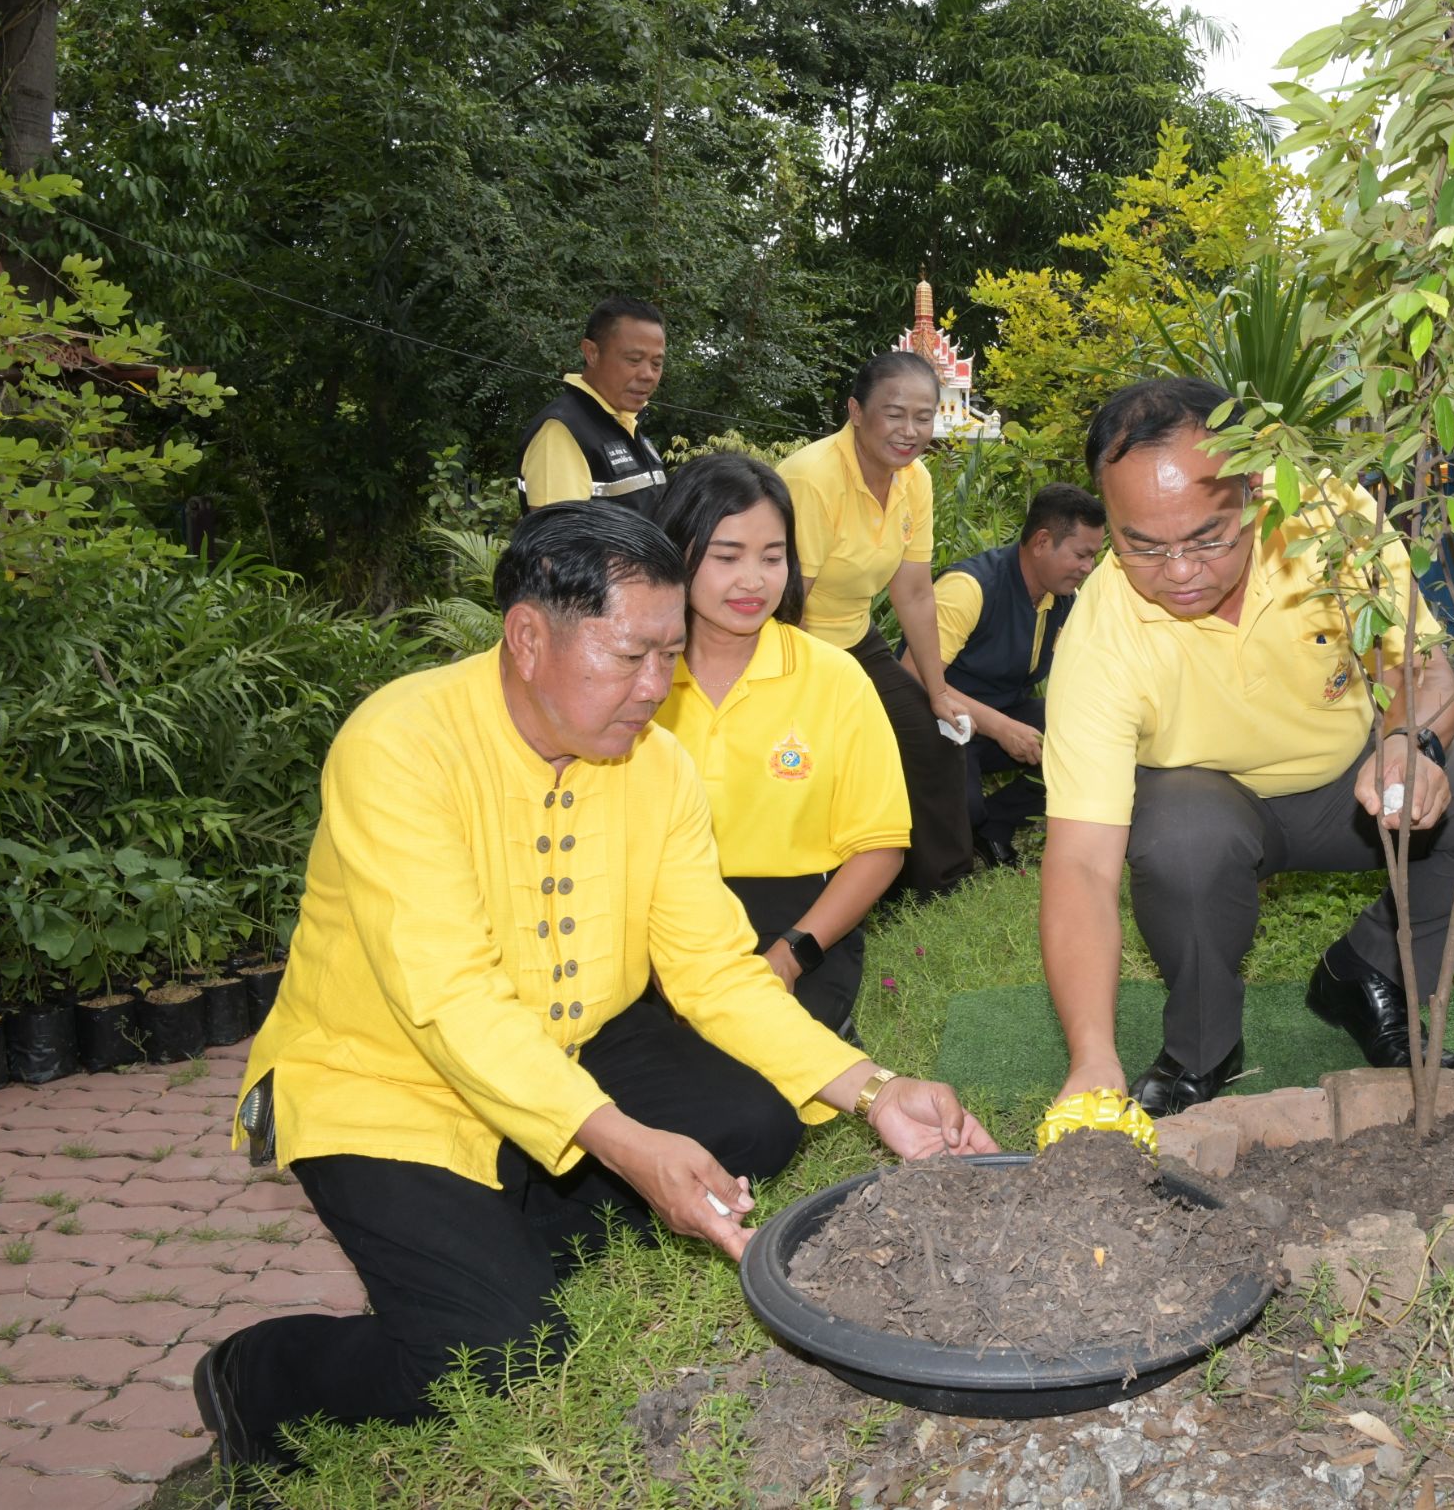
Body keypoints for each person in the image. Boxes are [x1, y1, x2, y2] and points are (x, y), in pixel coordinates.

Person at [193, 502, 995, 1471]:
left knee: (757, 1118)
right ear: (529, 638)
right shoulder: (399, 743)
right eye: (631, 656)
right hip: (388, 1083)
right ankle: (256, 1374)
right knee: (505, 1349)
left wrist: (872, 1087)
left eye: (672, 655)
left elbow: (712, 970)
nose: (656, 687)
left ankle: (506, 1234)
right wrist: (623, 1142)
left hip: (567, 1049)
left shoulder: (657, 766)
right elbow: (450, 1003)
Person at [1038, 378, 1454, 1117]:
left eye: (1207, 538)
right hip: (1210, 809)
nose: (1182, 572)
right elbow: (1081, 865)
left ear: (1256, 494)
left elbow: (1415, 665)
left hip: (1350, 789)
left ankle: (1367, 970)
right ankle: (1202, 1047)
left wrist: (1409, 744)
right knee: (1184, 839)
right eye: (1145, 547)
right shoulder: (1101, 635)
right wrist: (1093, 1059)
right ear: (1110, 523)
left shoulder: (1327, 522)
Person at [654, 452, 908, 1040]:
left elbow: (880, 848)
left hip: (796, 921)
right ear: (676, 552)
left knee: (761, 1077)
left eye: (773, 557)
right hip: (660, 913)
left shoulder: (834, 677)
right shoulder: (639, 679)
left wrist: (788, 958)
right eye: (727, 556)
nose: (753, 580)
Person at [778, 353, 974, 896]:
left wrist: (936, 691)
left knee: (931, 741)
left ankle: (939, 886)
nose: (910, 432)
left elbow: (912, 592)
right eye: (894, 414)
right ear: (856, 413)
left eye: (924, 416)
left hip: (855, 639)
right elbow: (789, 603)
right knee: (824, 764)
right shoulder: (813, 478)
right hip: (793, 644)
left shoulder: (915, 480)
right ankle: (832, 888)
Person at [911, 483, 1105, 868]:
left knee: (1096, 738)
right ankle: (963, 826)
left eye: (1094, 557)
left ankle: (995, 827)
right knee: (962, 813)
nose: (1089, 568)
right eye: (1082, 555)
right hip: (940, 724)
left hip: (1002, 715)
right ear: (1041, 541)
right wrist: (1001, 728)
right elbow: (913, 676)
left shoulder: (1064, 599)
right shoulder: (970, 588)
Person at [515, 295, 671, 514]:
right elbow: (559, 542)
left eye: (656, 364)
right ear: (592, 353)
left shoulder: (624, 423)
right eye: (634, 360)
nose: (648, 374)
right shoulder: (563, 432)